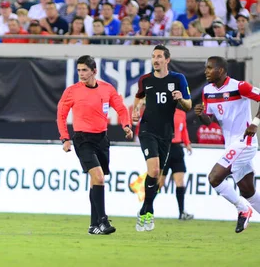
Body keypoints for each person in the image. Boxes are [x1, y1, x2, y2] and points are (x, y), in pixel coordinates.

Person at [57, 55, 133, 235]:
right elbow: (61, 114)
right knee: (98, 177)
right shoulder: (72, 91)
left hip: (101, 139)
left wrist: (127, 125)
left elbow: (121, 108)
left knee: (96, 181)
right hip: (82, 139)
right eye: (79, 70)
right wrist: (65, 138)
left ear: (94, 71)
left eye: (84, 70)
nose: (81, 74)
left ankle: (93, 226)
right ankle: (103, 221)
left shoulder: (107, 89)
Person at [195, 56, 260, 233]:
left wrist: (255, 123)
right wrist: (201, 114)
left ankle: (242, 209)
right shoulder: (207, 90)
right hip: (230, 145)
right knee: (248, 191)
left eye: (210, 68)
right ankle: (246, 204)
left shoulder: (239, 86)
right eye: (205, 68)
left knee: (214, 178)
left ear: (221, 70)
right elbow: (209, 121)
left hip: (245, 142)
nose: (206, 71)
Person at [132, 45, 192, 232]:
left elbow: (189, 105)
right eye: (153, 56)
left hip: (166, 134)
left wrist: (181, 99)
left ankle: (144, 210)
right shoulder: (145, 80)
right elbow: (138, 97)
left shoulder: (178, 79)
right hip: (147, 130)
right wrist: (135, 111)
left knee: (156, 175)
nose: (155, 60)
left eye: (159, 56)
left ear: (167, 59)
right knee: (155, 169)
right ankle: (149, 211)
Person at [157, 109, 194, 220]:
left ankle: (182, 212)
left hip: (177, 148)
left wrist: (187, 143)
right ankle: (147, 207)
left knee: (180, 181)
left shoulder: (181, 113)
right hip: (165, 147)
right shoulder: (162, 111)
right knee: (160, 182)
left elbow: (184, 130)